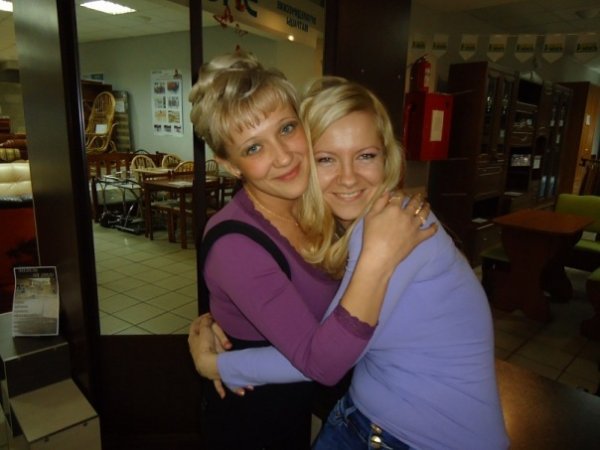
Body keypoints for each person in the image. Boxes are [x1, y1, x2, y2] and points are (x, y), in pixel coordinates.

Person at [191, 76, 510, 450]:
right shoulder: (341, 226)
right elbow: (323, 321)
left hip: (417, 438)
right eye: (327, 158)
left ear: (387, 158)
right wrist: (225, 313)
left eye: (366, 156)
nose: (347, 178)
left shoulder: (396, 230)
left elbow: (325, 357)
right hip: (364, 420)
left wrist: (216, 365)